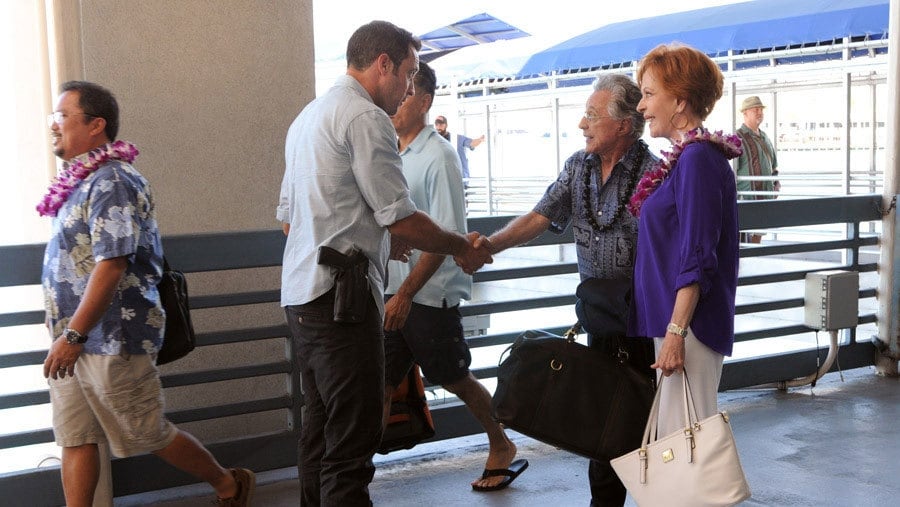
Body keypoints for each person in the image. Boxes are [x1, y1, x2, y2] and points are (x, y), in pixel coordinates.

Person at [276, 21, 492, 506]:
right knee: (352, 442)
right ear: (383, 65)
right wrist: (459, 245)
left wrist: (374, 237)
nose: (410, 89)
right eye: (409, 74)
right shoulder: (365, 117)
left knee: (320, 431)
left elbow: (292, 222)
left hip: (303, 296)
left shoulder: (309, 116)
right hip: (342, 302)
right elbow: (402, 217)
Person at [39, 81, 254, 507]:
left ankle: (229, 483)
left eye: (62, 116)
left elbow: (112, 263)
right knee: (76, 436)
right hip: (72, 338)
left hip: (112, 336)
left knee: (146, 431)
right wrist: (68, 336)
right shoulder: (79, 180)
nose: (54, 126)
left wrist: (75, 335)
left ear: (96, 125)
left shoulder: (114, 180)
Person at [476, 73, 657, 507]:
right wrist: (490, 246)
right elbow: (541, 215)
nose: (582, 124)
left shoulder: (655, 174)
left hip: (645, 320)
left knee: (647, 418)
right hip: (598, 316)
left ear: (624, 125)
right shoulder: (579, 166)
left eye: (592, 115)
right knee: (603, 418)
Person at [383, 62, 525, 492]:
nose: (399, 101)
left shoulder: (440, 156)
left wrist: (406, 293)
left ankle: (501, 443)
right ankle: (354, 469)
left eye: (408, 94)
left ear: (425, 101)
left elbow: (446, 236)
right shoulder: (391, 151)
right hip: (393, 291)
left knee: (454, 377)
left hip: (428, 295)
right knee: (380, 382)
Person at [628, 43, 741, 440]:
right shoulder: (687, 159)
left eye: (648, 93)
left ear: (679, 100)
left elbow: (697, 255)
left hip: (690, 327)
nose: (641, 106)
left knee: (684, 443)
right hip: (679, 322)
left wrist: (676, 332)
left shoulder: (697, 160)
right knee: (680, 441)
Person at [735, 95, 779, 243]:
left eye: (761, 109)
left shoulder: (765, 137)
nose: (760, 112)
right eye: (755, 110)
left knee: (759, 233)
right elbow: (731, 171)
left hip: (765, 196)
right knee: (741, 238)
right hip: (746, 197)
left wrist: (776, 184)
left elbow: (773, 164)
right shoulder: (737, 138)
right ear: (745, 113)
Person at [434, 115, 484, 182]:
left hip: (459, 178)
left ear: (446, 125)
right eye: (436, 124)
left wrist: (480, 140)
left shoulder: (457, 139)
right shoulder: (433, 141)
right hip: (442, 179)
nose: (438, 127)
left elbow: (472, 143)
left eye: (441, 124)